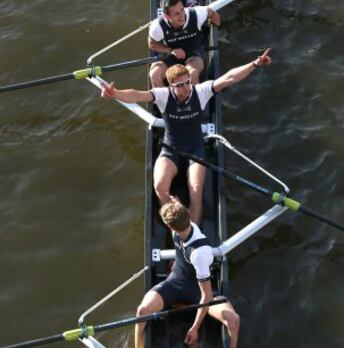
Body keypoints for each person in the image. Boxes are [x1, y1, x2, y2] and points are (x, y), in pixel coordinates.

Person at [101, 49, 272, 224]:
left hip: (195, 148)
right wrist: (115, 93)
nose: (185, 88)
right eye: (180, 85)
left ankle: (192, 233)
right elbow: (137, 95)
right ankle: (176, 224)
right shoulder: (163, 95)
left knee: (196, 190)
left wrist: (255, 64)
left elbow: (229, 78)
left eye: (187, 83)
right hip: (171, 148)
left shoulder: (200, 91)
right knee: (160, 188)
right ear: (170, 85)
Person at [120, 199, 240, 348]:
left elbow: (206, 298)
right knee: (142, 311)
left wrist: (195, 328)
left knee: (233, 320)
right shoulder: (183, 225)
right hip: (175, 283)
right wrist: (172, 200)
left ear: (170, 226)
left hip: (199, 291)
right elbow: (176, 213)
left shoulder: (199, 253)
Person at [148, 0, 221, 87]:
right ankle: (163, 99)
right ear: (167, 16)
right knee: (154, 74)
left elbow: (212, 12)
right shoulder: (157, 26)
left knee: (191, 74)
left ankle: (193, 99)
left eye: (182, 10)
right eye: (176, 14)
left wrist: (214, 27)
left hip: (194, 54)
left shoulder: (197, 14)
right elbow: (152, 44)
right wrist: (170, 50)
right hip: (172, 55)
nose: (182, 15)